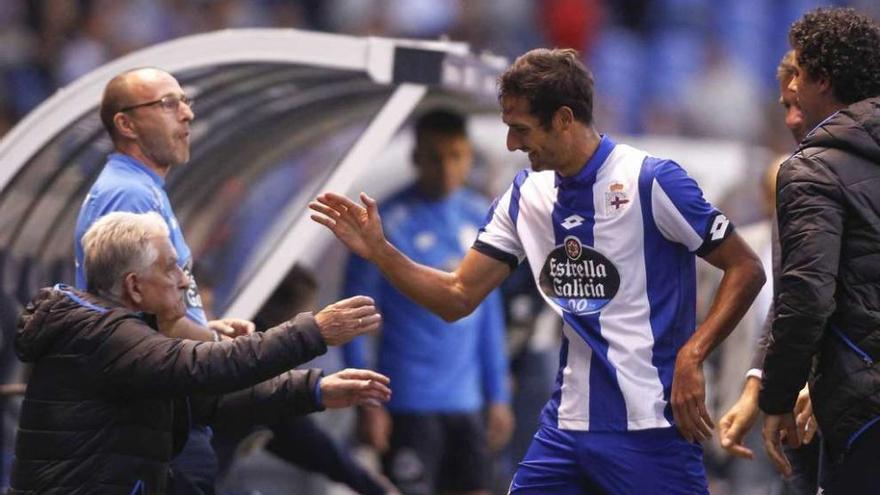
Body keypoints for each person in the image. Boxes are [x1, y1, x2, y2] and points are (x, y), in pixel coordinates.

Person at [311, 48, 766, 494]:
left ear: (564, 119)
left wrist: (692, 355)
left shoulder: (652, 181)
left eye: (520, 129)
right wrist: (380, 251)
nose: (512, 143)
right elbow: (456, 296)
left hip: (650, 429)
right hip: (566, 430)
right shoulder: (527, 195)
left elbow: (745, 267)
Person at [72, 67, 383, 494]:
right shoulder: (130, 195)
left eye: (185, 102)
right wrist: (217, 344)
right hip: (154, 419)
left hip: (169, 409)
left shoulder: (145, 188)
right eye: (167, 104)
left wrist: (203, 325)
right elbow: (139, 318)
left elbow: (150, 313)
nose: (186, 115)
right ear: (125, 123)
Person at [10, 211, 391, 494]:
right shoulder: (105, 338)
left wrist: (314, 390)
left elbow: (211, 398)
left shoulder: (125, 334)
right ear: (135, 286)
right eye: (172, 267)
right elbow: (206, 368)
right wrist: (314, 331)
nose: (184, 280)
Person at [341, 109, 513, 495]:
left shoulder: (480, 216)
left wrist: (498, 395)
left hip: (467, 403)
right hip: (407, 403)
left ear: (468, 157)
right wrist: (366, 402)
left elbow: (489, 314)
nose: (446, 168)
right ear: (416, 157)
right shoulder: (382, 225)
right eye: (435, 157)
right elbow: (354, 317)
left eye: (455, 156)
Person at [759, 7, 880, 494]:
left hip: (865, 410)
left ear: (823, 81)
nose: (791, 89)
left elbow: (806, 295)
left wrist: (777, 396)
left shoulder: (812, 169)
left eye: (800, 75)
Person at [716, 50, 821, 495]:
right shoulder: (800, 183)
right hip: (793, 413)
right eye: (785, 108)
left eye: (800, 105)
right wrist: (755, 389)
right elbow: (791, 302)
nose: (793, 120)